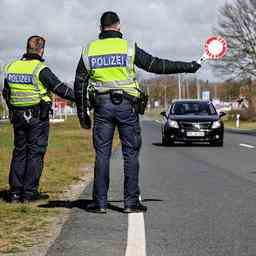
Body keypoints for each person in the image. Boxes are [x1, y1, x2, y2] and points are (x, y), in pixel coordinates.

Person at [74, 11, 201, 213]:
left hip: (102, 106)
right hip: (127, 106)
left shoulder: (89, 50)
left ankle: (99, 203)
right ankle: (131, 202)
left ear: (100, 28)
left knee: (102, 155)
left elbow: (79, 84)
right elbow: (157, 65)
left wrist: (82, 114)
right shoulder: (128, 47)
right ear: (119, 26)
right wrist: (189, 67)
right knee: (130, 154)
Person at [3, 35, 75, 203]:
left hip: (18, 116)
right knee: (35, 153)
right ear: (41, 50)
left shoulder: (12, 67)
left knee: (19, 152)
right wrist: (80, 97)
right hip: (37, 117)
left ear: (27, 48)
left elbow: (6, 92)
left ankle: (15, 193)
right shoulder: (40, 69)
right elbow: (60, 89)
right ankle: (29, 193)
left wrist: (14, 107)